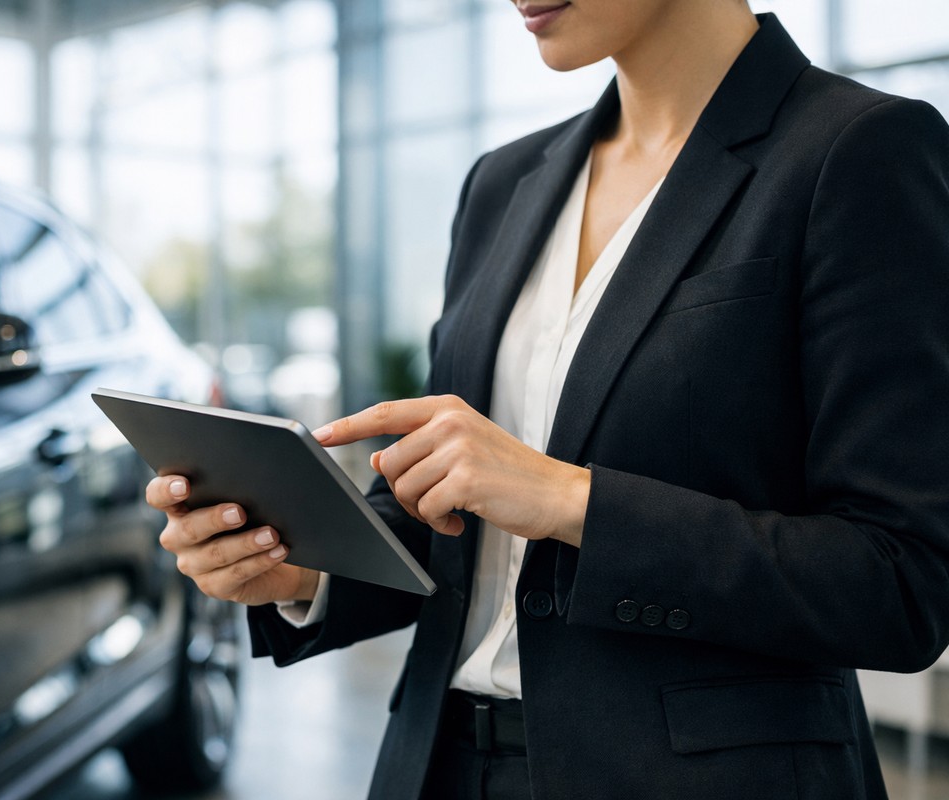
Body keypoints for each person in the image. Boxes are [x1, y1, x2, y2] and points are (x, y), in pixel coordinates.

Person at [147, 1, 949, 797]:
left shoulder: (858, 151)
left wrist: (571, 499)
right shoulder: (504, 183)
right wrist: (301, 573)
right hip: (440, 764)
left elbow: (903, 582)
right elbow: (459, 517)